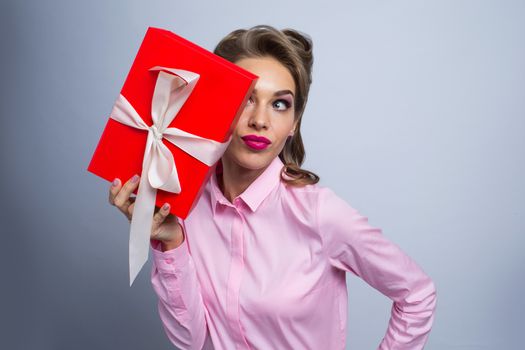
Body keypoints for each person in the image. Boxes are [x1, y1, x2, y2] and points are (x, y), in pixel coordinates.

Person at [108, 25, 437, 350]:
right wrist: (171, 243)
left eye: (279, 104)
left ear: (294, 123)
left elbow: (417, 295)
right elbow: (190, 340)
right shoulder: (187, 201)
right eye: (246, 99)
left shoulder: (319, 213)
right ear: (215, 107)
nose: (260, 120)